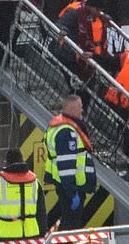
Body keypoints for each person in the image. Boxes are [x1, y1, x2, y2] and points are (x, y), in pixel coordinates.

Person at [44, 94, 96, 231]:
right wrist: (73, 192)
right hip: (72, 187)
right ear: (72, 108)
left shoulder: (60, 127)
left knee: (69, 223)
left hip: (69, 186)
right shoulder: (67, 132)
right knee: (70, 225)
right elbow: (66, 166)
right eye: (80, 107)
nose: (82, 110)